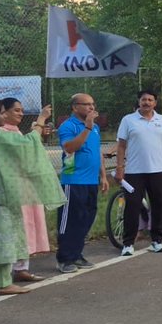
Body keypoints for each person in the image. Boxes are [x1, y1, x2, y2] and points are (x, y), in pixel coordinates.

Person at [0, 99, 65, 297]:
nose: (4, 117)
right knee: (2, 237)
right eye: (0, 113)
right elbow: (27, 144)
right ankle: (3, 283)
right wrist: (40, 121)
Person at [115, 89, 162, 256]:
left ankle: (157, 240)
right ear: (139, 102)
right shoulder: (128, 120)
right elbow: (121, 146)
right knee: (132, 206)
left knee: (158, 206)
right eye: (144, 100)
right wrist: (120, 168)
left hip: (157, 171)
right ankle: (128, 243)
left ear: (155, 103)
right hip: (134, 172)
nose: (147, 102)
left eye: (150, 100)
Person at [0, 97, 51, 283]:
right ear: (3, 111)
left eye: (22, 110)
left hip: (25, 186)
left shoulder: (15, 131)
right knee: (16, 227)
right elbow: (27, 146)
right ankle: (5, 271)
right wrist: (40, 120)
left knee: (27, 224)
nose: (20, 113)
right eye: (16, 110)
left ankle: (21, 268)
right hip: (12, 188)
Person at [56, 92, 109, 273]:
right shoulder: (68, 126)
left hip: (90, 181)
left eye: (92, 104)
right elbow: (69, 148)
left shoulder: (94, 127)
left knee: (86, 218)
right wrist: (86, 128)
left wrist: (103, 175)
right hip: (73, 180)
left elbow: (97, 151)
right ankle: (64, 258)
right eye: (86, 104)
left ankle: (77, 254)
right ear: (75, 107)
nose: (91, 108)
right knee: (71, 219)